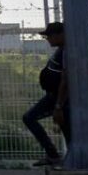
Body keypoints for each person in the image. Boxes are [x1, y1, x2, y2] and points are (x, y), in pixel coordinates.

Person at [23, 22, 70, 166]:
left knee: (67, 130)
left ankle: (68, 159)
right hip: (54, 96)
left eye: (49, 36)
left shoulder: (67, 51)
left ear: (59, 35)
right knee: (29, 118)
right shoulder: (61, 50)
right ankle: (54, 156)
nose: (48, 39)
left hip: (61, 99)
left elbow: (65, 79)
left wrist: (58, 106)